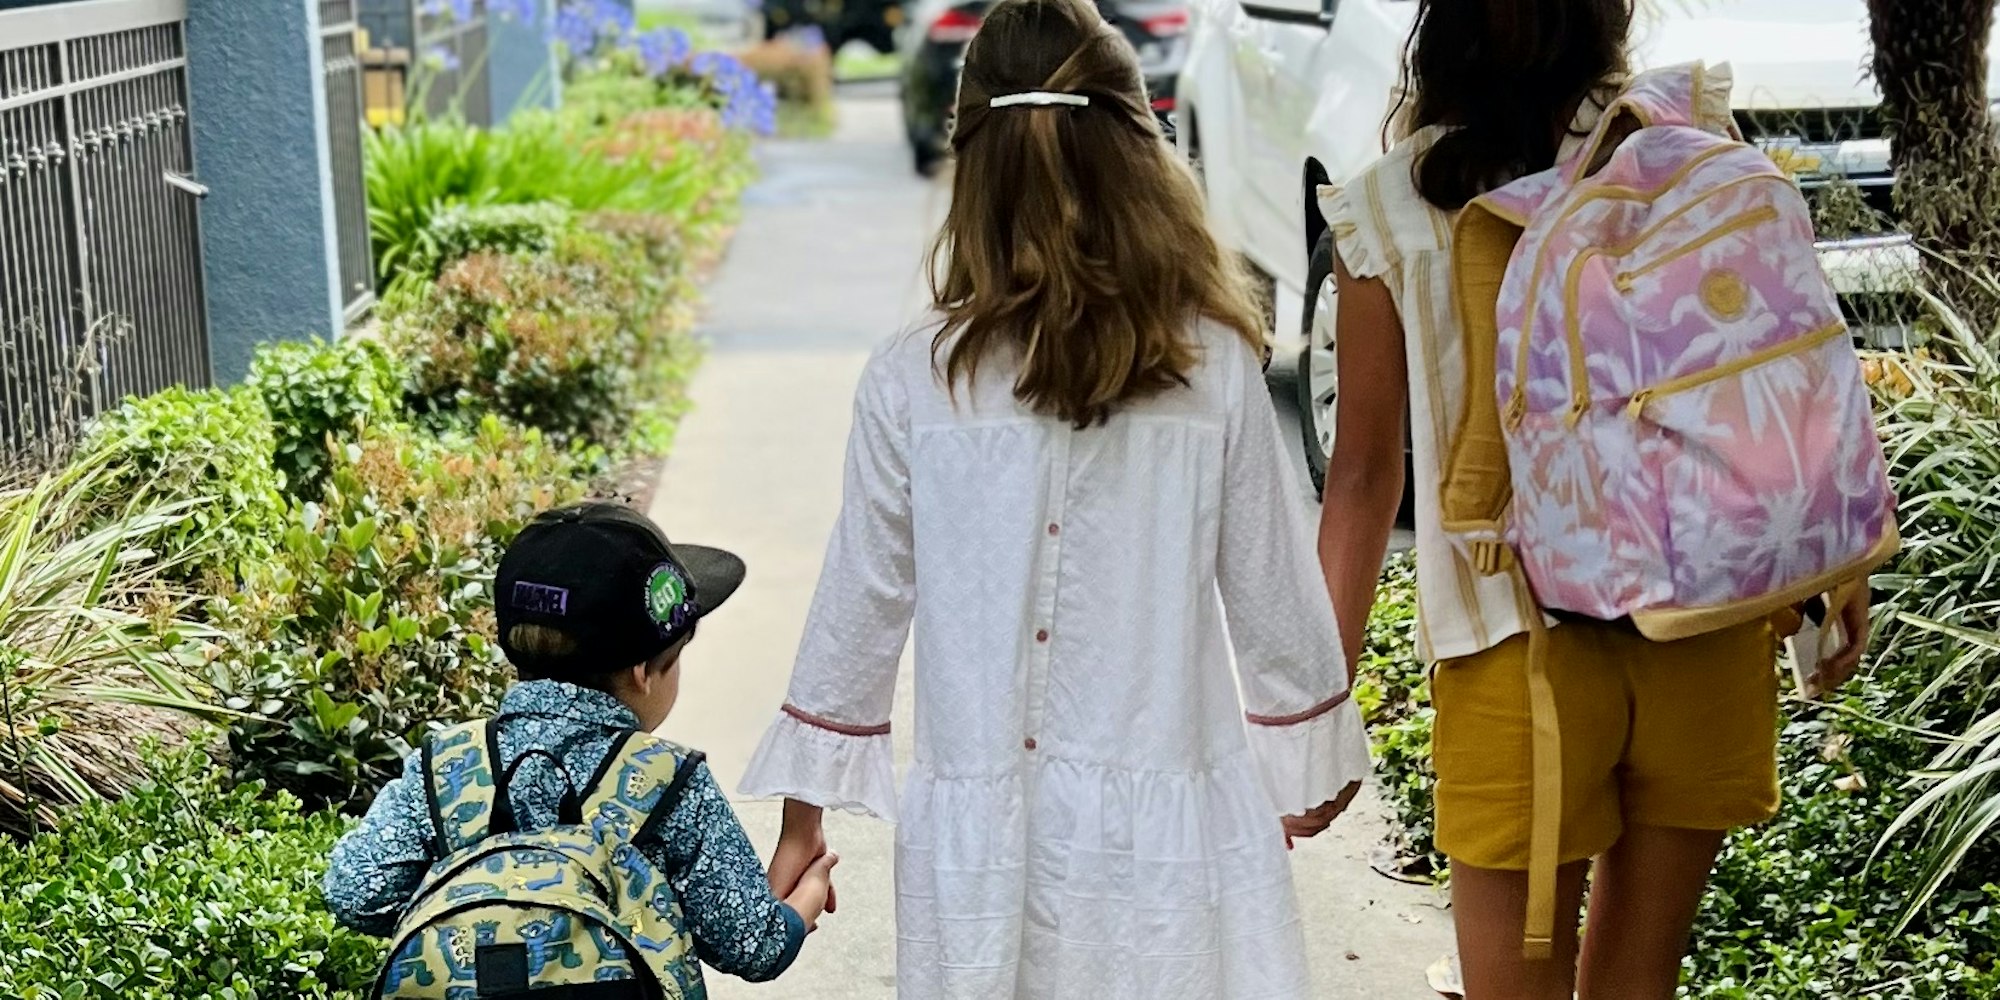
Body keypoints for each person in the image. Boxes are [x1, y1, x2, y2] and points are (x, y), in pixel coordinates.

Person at [734, 0, 1372, 995]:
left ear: (971, 159)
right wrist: (1304, 758)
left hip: (980, 853)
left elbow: (858, 600)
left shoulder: (916, 375)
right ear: (1140, 146)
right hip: (1170, 855)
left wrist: (801, 821)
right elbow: (1271, 592)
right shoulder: (1211, 366)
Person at [1312, 3, 1877, 999]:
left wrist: (1314, 698)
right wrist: (1833, 570)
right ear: (1610, 16)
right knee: (1638, 979)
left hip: (1508, 647)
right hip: (1696, 621)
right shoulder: (1679, 145)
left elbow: (1361, 478)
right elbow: (1773, 363)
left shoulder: (1386, 208)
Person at [324, 502, 837, 990]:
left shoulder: (447, 768)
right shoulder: (666, 782)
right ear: (643, 672)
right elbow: (753, 942)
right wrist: (806, 879)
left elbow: (355, 892)